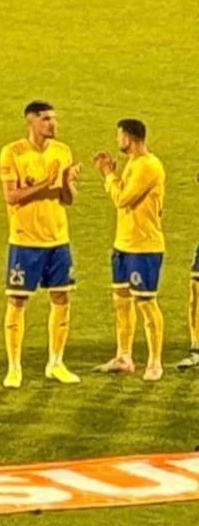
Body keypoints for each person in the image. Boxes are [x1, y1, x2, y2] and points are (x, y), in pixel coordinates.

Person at [0, 101, 82, 388]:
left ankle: (56, 363)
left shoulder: (62, 151)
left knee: (61, 299)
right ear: (31, 121)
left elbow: (68, 199)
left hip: (58, 239)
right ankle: (14, 368)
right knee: (17, 301)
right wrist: (47, 183)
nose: (52, 124)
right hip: (25, 240)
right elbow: (11, 196)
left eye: (53, 118)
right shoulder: (13, 152)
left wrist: (67, 181)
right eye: (46, 119)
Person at [92, 120, 166, 382]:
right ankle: (124, 356)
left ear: (129, 137)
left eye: (119, 136)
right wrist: (113, 175)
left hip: (143, 247)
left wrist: (108, 175)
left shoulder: (148, 165)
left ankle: (155, 362)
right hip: (123, 245)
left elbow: (123, 199)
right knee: (121, 302)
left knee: (146, 303)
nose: (117, 141)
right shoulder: (133, 163)